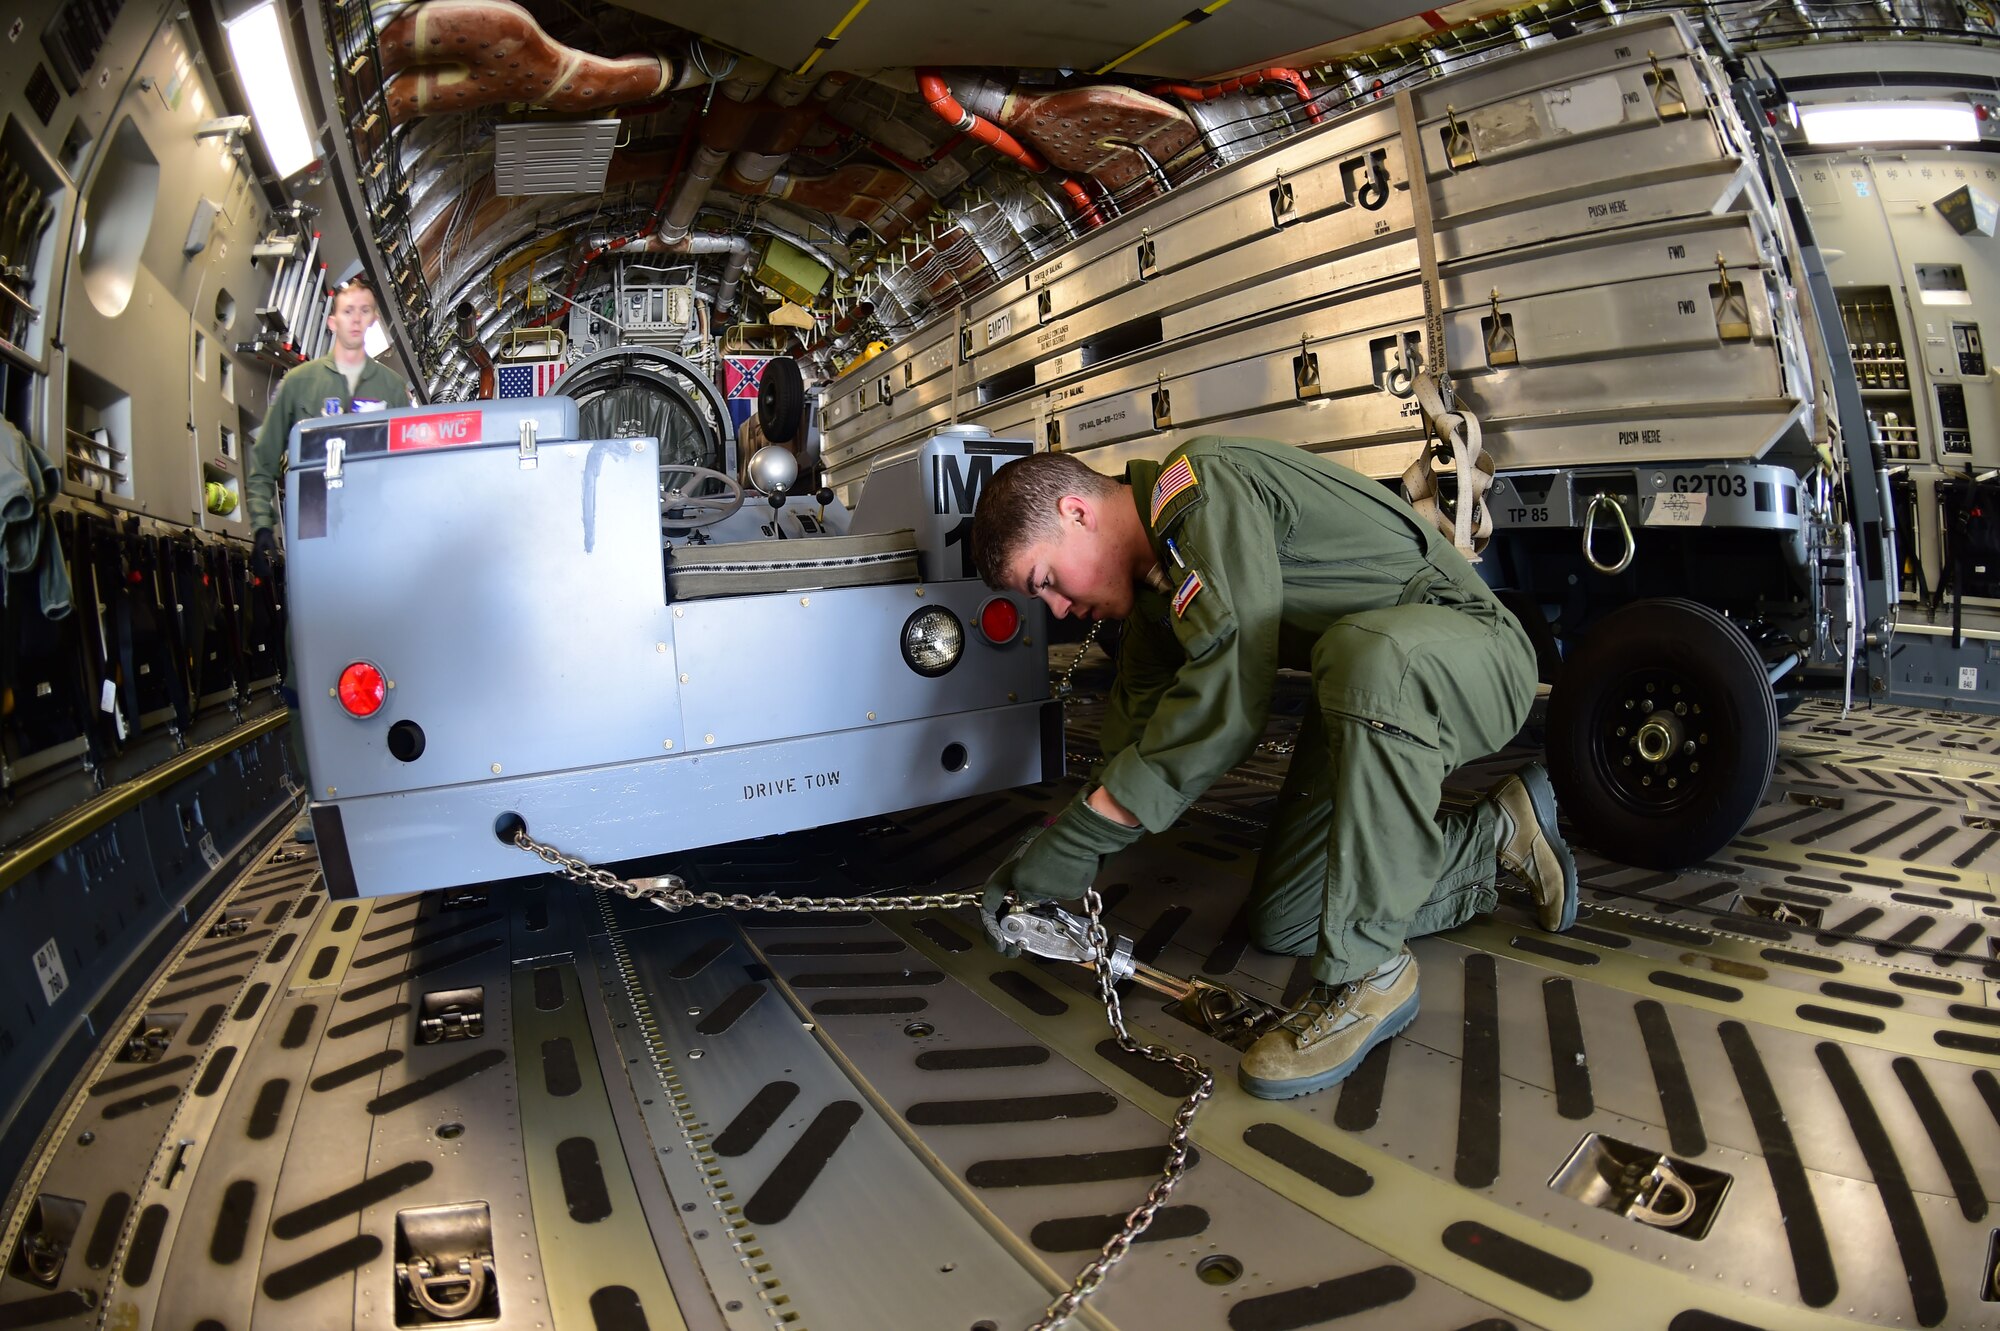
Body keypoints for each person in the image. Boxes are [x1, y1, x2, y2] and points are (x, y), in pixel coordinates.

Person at [968, 436, 1579, 1100]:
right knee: (1288, 919)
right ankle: (1496, 837)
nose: (1057, 610)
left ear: (1077, 512)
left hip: (1469, 656)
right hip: (1363, 695)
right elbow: (1134, 745)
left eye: (1046, 581)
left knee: (1360, 657)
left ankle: (1371, 973)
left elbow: (1228, 699)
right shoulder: (1153, 599)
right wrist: (1050, 851)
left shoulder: (1201, 488)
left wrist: (1085, 838)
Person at [246, 274, 413, 838]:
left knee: (393, 664)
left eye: (365, 311)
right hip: (316, 545)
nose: (356, 320)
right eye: (347, 310)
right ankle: (318, 795)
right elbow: (265, 459)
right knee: (303, 673)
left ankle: (392, 779)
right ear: (331, 319)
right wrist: (264, 530)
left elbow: (410, 471)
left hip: (376, 552)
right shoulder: (297, 386)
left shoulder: (392, 388)